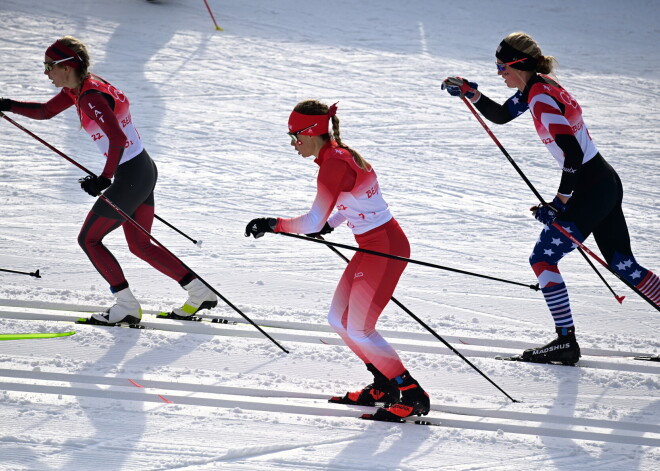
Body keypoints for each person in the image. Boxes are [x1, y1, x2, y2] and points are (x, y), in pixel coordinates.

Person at [442, 32, 659, 365]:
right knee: (622, 264)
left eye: (502, 66)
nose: (499, 72)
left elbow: (571, 154)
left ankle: (565, 343)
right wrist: (471, 93)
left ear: (519, 65)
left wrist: (558, 204)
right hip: (603, 183)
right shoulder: (538, 86)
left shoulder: (540, 98)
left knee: (542, 259)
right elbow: (500, 115)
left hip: (589, 190)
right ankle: (564, 341)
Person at [0, 36, 217, 324]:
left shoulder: (90, 97)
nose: (45, 72)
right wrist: (6, 104)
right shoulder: (81, 88)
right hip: (142, 169)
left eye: (49, 65)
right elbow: (44, 112)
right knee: (140, 245)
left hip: (130, 175)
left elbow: (118, 139)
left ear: (67, 67)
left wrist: (104, 178)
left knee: (89, 239)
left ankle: (126, 305)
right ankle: (199, 291)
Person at [244, 100, 430, 420]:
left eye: (294, 137)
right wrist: (333, 224)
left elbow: (313, 220)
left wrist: (273, 224)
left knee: (360, 328)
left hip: (384, 247)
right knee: (338, 320)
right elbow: (354, 201)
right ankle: (384, 385)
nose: (293, 144)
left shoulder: (335, 163)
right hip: (372, 245)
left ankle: (412, 393)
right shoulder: (337, 156)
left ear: (312, 132)